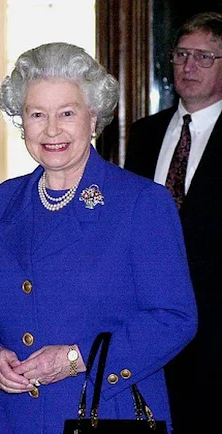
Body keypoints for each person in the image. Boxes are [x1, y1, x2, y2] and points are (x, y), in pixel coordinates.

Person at [0, 42, 197, 434]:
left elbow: (174, 319)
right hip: (16, 421)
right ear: (22, 121)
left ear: (93, 117)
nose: (52, 130)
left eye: (67, 113)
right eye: (37, 114)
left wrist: (75, 358)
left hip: (109, 413)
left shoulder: (141, 204)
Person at [124, 11, 222, 433]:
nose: (188, 66)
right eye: (182, 54)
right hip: (145, 324)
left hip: (216, 330)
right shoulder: (143, 134)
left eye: (204, 57)